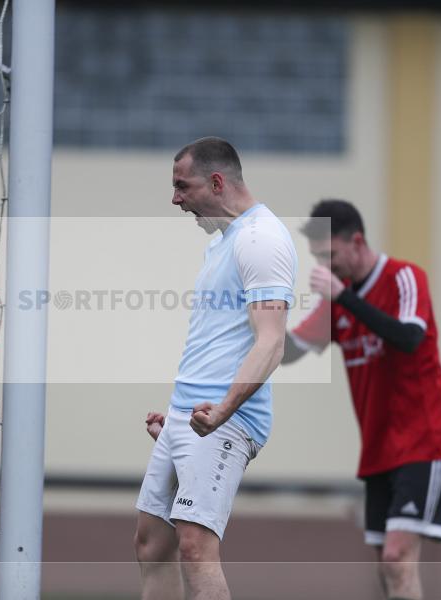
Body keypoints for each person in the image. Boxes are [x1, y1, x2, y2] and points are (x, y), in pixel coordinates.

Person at [134, 137, 296, 600]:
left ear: (217, 182)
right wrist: (177, 418)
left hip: (228, 421)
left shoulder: (261, 238)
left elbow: (272, 341)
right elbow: (217, 342)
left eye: (182, 186)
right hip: (191, 415)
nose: (175, 199)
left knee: (195, 547)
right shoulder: (223, 243)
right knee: (151, 544)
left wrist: (223, 410)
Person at [282, 199, 441, 600]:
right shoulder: (337, 301)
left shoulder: (403, 278)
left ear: (357, 242)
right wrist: (258, 313)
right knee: (388, 566)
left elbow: (409, 338)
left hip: (424, 441)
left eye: (330, 255)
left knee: (397, 558)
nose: (325, 266)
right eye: (319, 258)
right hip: (378, 450)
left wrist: (344, 298)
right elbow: (289, 351)